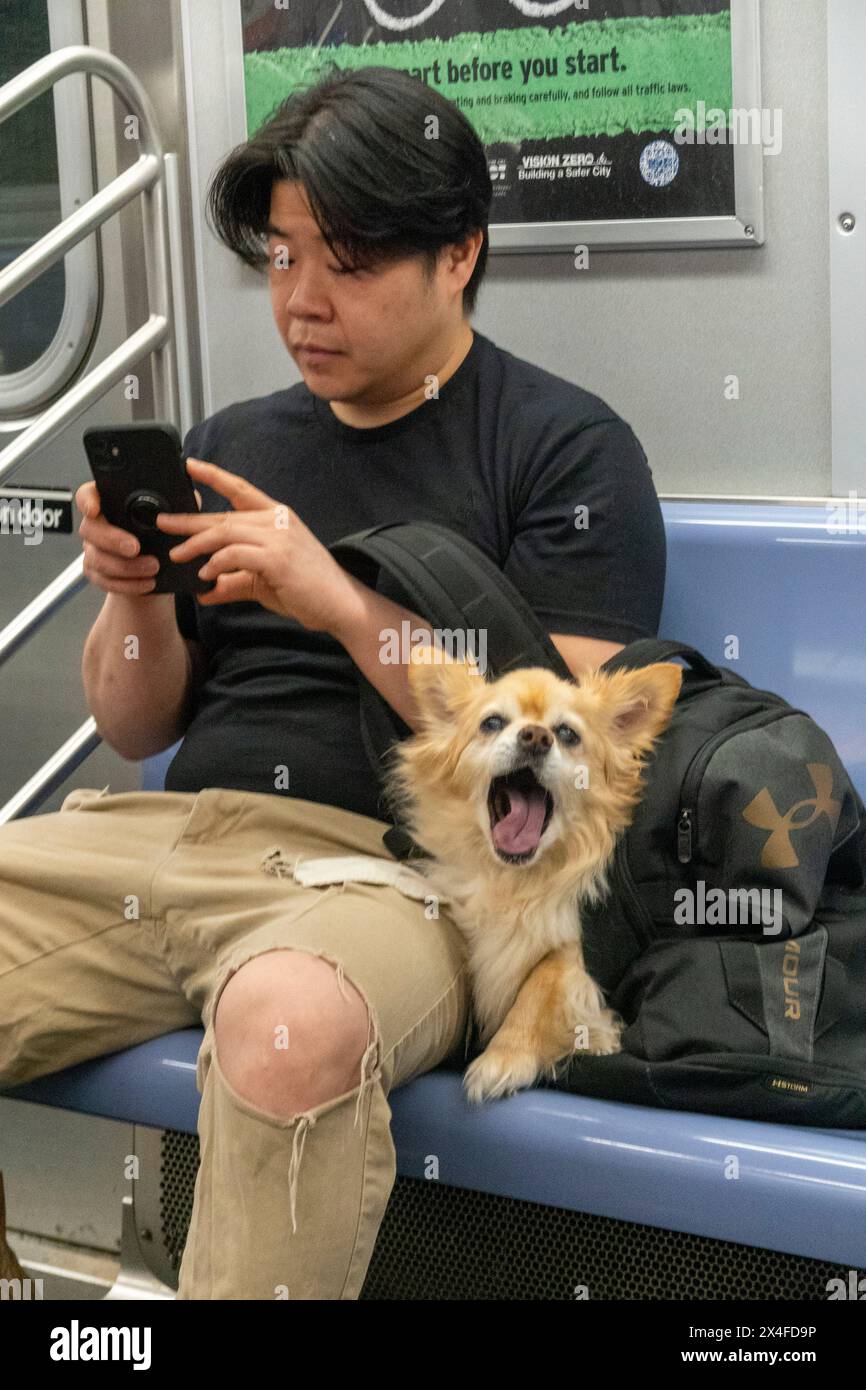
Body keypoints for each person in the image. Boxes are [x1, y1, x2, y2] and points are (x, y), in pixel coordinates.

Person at [0, 64, 666, 1299]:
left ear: (457, 254)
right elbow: (132, 717)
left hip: (389, 870)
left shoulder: (563, 450)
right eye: (282, 258)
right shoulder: (231, 446)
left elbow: (553, 761)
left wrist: (336, 600)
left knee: (284, 1029)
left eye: (347, 264)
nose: (301, 303)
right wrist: (133, 588)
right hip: (169, 838)